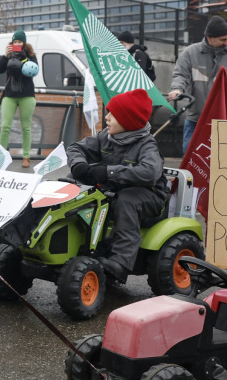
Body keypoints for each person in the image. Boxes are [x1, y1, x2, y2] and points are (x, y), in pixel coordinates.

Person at [66, 89, 169, 284]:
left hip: (150, 195)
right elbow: (75, 147)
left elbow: (149, 173)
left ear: (128, 121)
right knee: (72, 181)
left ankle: (120, 263)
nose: (107, 117)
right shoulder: (106, 136)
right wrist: (79, 164)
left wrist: (109, 172)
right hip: (115, 188)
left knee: (127, 201)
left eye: (113, 114)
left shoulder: (147, 145)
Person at [168, 16, 227, 153]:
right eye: (223, 39)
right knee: (190, 156)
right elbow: (181, 75)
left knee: (223, 160)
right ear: (210, 38)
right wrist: (177, 89)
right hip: (196, 117)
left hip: (224, 119)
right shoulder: (190, 53)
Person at [0, 30, 39, 168]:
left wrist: (24, 58)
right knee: (5, 126)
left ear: (24, 43)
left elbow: (33, 70)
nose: (17, 44)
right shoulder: (8, 55)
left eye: (19, 42)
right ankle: (1, 157)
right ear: (11, 43)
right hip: (10, 95)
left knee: (26, 127)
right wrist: (5, 55)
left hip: (26, 95)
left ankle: (26, 157)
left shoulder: (30, 55)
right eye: (15, 42)